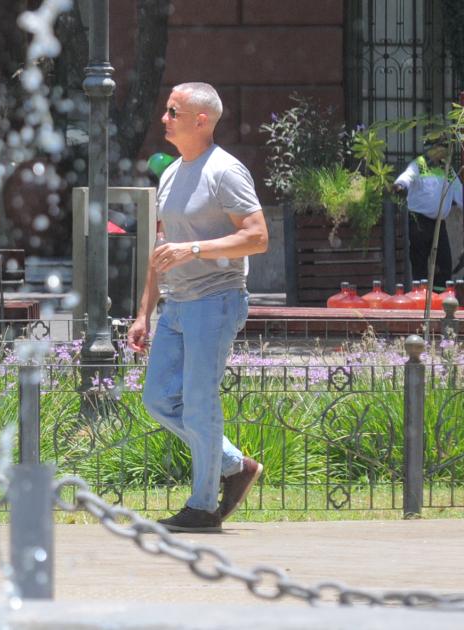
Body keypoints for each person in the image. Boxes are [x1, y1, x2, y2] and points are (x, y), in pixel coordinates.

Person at [126, 82, 270, 533]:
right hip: (177, 306)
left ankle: (203, 507)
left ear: (200, 120)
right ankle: (234, 464)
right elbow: (160, 247)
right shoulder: (171, 174)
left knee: (198, 404)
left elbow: (258, 237)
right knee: (157, 399)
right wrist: (143, 312)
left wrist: (195, 249)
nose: (163, 119)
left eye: (172, 111)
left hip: (217, 301)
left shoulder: (225, 171)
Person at [394, 142, 463, 290]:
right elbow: (408, 176)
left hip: (439, 224)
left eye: (445, 147)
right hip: (419, 222)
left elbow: (459, 192)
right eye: (441, 146)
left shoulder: (448, 169)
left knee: (444, 263)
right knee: (419, 263)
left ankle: (439, 298)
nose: (444, 150)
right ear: (431, 149)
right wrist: (400, 185)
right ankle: (420, 297)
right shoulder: (419, 164)